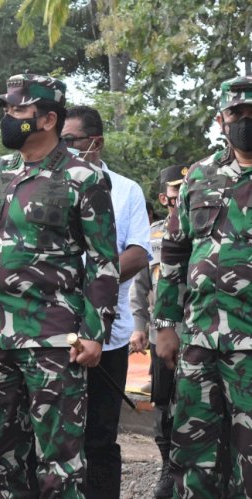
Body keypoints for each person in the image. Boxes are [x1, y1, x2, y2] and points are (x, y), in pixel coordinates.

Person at [0, 74, 120, 498]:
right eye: (7, 109)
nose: (8, 117)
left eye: (18, 110)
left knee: (59, 461)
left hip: (54, 340)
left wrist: (96, 333)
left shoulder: (84, 177)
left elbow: (103, 260)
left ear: (47, 119)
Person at [154, 75, 252, 497]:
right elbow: (174, 253)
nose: (245, 120)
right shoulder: (201, 176)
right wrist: (165, 324)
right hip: (199, 337)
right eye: (237, 113)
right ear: (221, 119)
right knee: (193, 448)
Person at [63, 105, 151, 499]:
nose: (63, 147)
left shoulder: (126, 189)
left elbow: (137, 253)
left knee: (99, 435)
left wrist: (91, 285)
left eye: (71, 141)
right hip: (50, 329)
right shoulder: (47, 183)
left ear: (94, 142)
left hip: (105, 332)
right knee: (53, 432)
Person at [129, 164, 186, 497]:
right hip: (160, 333)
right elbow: (141, 285)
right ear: (164, 198)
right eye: (174, 199)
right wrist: (138, 327)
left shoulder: (207, 227)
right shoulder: (152, 234)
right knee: (163, 406)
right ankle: (167, 467)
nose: (179, 205)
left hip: (200, 333)